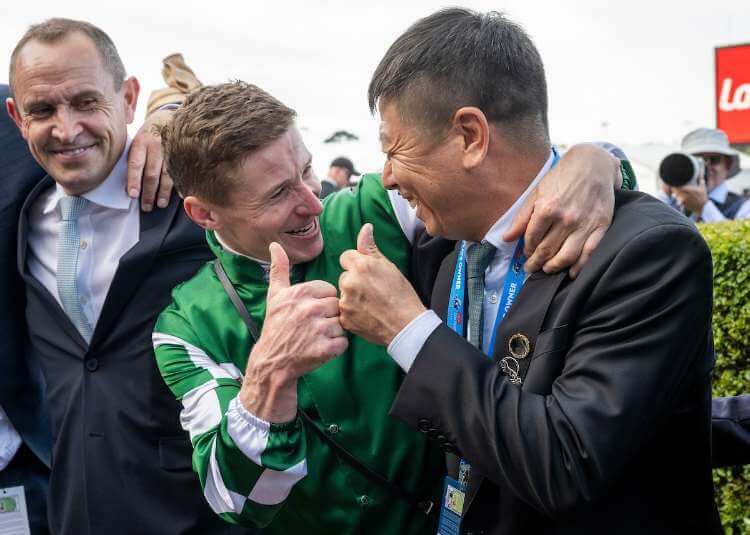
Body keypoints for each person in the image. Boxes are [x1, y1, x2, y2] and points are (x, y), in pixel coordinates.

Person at [152, 74, 636, 532]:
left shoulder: (375, 206)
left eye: (306, 170)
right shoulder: (185, 325)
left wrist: (593, 161)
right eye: (279, 193)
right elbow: (237, 503)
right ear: (204, 213)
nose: (314, 201)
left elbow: (510, 182)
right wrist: (269, 375)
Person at [338, 8, 720, 534]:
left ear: (471, 135)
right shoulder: (449, 255)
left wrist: (407, 329)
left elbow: (567, 462)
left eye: (394, 148)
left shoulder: (648, 252)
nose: (387, 176)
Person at [6, 18, 252, 535]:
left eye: (86, 102)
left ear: (129, 97)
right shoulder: (24, 218)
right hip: (74, 508)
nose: (67, 128)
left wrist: (175, 110)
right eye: (43, 111)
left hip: (203, 514)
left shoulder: (196, 206)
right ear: (17, 117)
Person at [664, 127, 750, 221]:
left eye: (713, 160)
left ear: (728, 165)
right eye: (696, 161)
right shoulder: (669, 203)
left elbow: (738, 235)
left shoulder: (744, 206)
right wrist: (665, 192)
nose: (704, 167)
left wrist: (704, 208)